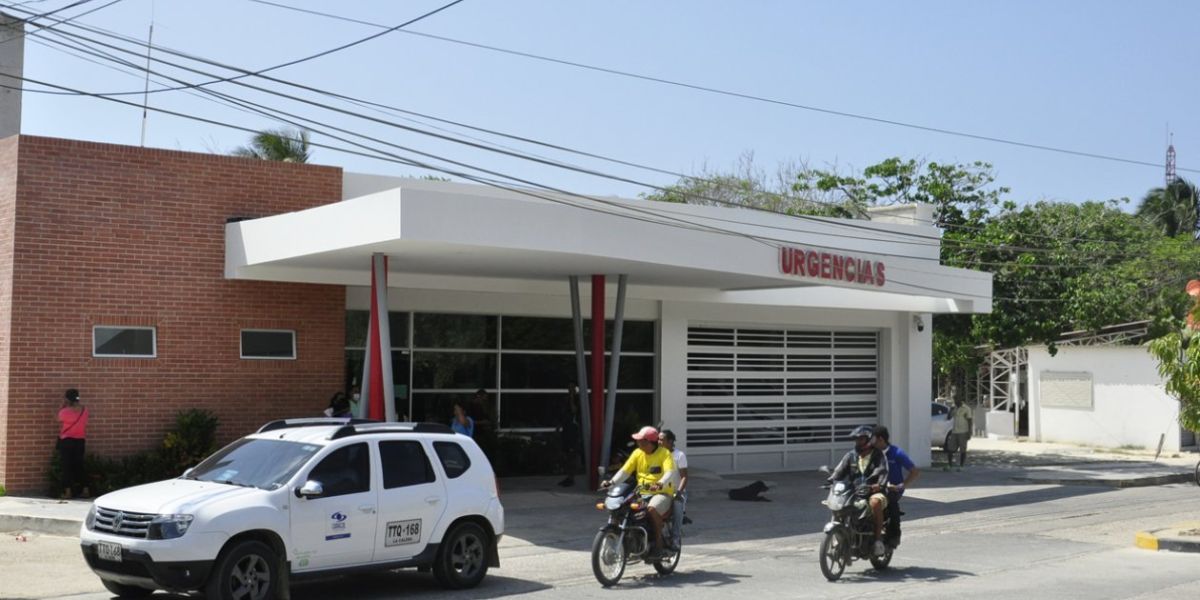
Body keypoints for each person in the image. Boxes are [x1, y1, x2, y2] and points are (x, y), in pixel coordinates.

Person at [601, 426, 678, 558]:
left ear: (651, 442)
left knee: (652, 508)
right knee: (620, 508)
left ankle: (659, 544)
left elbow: (669, 473)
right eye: (639, 441)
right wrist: (611, 483)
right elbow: (625, 471)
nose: (639, 443)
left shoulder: (664, 454)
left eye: (642, 441)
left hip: (661, 492)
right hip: (641, 491)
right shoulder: (637, 453)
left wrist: (659, 484)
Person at [827, 425, 889, 557]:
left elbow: (883, 471)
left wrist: (879, 485)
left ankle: (878, 541)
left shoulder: (878, 455)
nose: (858, 443)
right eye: (856, 440)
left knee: (875, 502)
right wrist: (831, 480)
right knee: (835, 504)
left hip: (872, 491)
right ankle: (842, 537)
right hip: (853, 492)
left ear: (869, 440)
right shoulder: (850, 456)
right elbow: (839, 471)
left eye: (861, 439)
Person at [872, 426, 919, 548]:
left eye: (873, 440)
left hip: (892, 490)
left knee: (892, 504)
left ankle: (893, 536)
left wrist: (901, 486)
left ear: (881, 440)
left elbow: (914, 471)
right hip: (875, 487)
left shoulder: (897, 453)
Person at [660, 429, 691, 549]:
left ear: (670, 441)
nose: (659, 442)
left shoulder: (679, 455)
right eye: (658, 439)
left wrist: (679, 492)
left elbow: (684, 477)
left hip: (676, 492)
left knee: (677, 506)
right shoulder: (658, 454)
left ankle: (675, 538)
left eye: (661, 440)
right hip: (660, 491)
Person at [56, 388, 89, 499]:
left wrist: (62, 406)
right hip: (80, 441)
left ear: (67, 399)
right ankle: (85, 490)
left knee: (67, 467)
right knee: (80, 466)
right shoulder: (85, 410)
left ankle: (68, 492)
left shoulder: (64, 412)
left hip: (67, 441)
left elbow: (58, 419)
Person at [557, 384, 582, 487]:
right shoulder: (566, 400)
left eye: (572, 388)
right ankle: (568, 476)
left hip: (573, 432)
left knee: (572, 454)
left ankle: (571, 477)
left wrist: (572, 398)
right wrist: (559, 425)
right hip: (566, 430)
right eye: (569, 388)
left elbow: (574, 411)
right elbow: (563, 414)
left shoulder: (578, 399)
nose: (570, 390)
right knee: (566, 454)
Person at [949, 398, 974, 470]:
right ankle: (950, 464)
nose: (955, 402)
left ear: (960, 400)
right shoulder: (954, 408)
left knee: (963, 449)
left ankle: (961, 465)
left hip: (963, 432)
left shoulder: (966, 408)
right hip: (954, 431)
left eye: (956, 400)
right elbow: (949, 417)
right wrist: (951, 409)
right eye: (954, 400)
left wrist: (969, 432)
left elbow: (970, 421)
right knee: (950, 449)